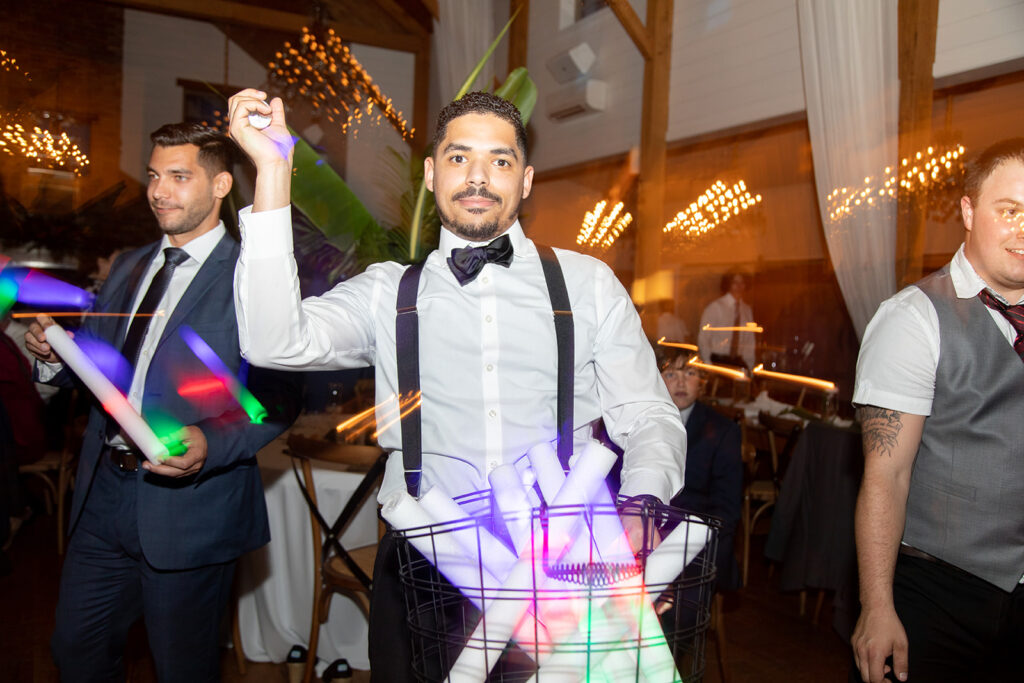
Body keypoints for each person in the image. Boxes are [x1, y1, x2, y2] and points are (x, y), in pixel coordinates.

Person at [226, 89, 685, 681]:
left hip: (562, 560)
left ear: (525, 180)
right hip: (423, 562)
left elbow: (648, 415)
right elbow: (270, 341)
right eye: (459, 157)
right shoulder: (384, 291)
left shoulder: (588, 284)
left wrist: (643, 505)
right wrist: (271, 171)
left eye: (500, 161)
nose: (478, 177)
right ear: (431, 174)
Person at [24, 122, 300, 682]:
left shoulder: (254, 274)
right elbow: (107, 367)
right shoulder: (129, 264)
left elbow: (277, 397)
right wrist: (58, 357)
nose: (158, 191)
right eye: (153, 175)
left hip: (192, 506)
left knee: (183, 668)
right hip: (104, 495)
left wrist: (210, 441)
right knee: (75, 649)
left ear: (222, 185)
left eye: (178, 176)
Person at [850, 138, 1024, 683]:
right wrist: (877, 606)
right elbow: (887, 475)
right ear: (969, 212)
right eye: (1009, 210)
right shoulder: (914, 318)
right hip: (938, 590)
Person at [657, 345, 742, 592]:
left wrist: (689, 542)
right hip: (649, 530)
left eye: (691, 374)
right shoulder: (641, 424)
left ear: (702, 382)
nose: (681, 383)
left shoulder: (723, 431)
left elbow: (726, 507)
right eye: (671, 375)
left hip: (696, 540)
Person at [698, 271, 756, 370]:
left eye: (742, 283)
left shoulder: (747, 310)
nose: (739, 286)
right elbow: (703, 338)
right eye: (735, 282)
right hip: (718, 361)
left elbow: (749, 341)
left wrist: (749, 366)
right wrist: (708, 363)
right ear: (728, 284)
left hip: (738, 362)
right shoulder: (716, 307)